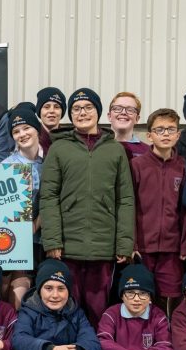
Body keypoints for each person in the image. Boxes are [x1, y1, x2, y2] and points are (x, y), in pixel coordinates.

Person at [40, 87, 135, 325]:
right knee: (65, 307)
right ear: (70, 115)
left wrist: (124, 243)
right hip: (67, 246)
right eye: (76, 109)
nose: (82, 113)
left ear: (98, 112)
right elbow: (49, 196)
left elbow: (125, 198)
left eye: (88, 107)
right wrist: (52, 241)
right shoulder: (59, 148)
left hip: (104, 246)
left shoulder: (115, 150)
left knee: (98, 310)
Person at [131, 108, 186, 314]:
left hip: (172, 248)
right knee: (144, 292)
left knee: (172, 293)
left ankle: (170, 336)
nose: (165, 134)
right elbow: (130, 206)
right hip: (143, 247)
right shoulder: (137, 165)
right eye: (159, 130)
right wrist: (132, 242)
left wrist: (184, 244)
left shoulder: (183, 166)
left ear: (178, 134)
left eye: (170, 129)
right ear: (149, 136)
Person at [2, 103, 46, 308]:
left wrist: (36, 224)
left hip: (46, 238)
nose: (22, 134)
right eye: (16, 131)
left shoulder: (52, 159)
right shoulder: (6, 166)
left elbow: (53, 198)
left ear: (37, 129)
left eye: (26, 128)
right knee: (18, 287)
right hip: (17, 240)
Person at [108, 91, 151, 161]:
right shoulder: (97, 147)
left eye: (130, 110)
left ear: (137, 119)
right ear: (109, 116)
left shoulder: (147, 152)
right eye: (118, 108)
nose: (123, 112)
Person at [35, 87, 67, 152]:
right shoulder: (31, 139)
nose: (52, 111)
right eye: (46, 107)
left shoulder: (68, 139)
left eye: (56, 107)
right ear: (39, 111)